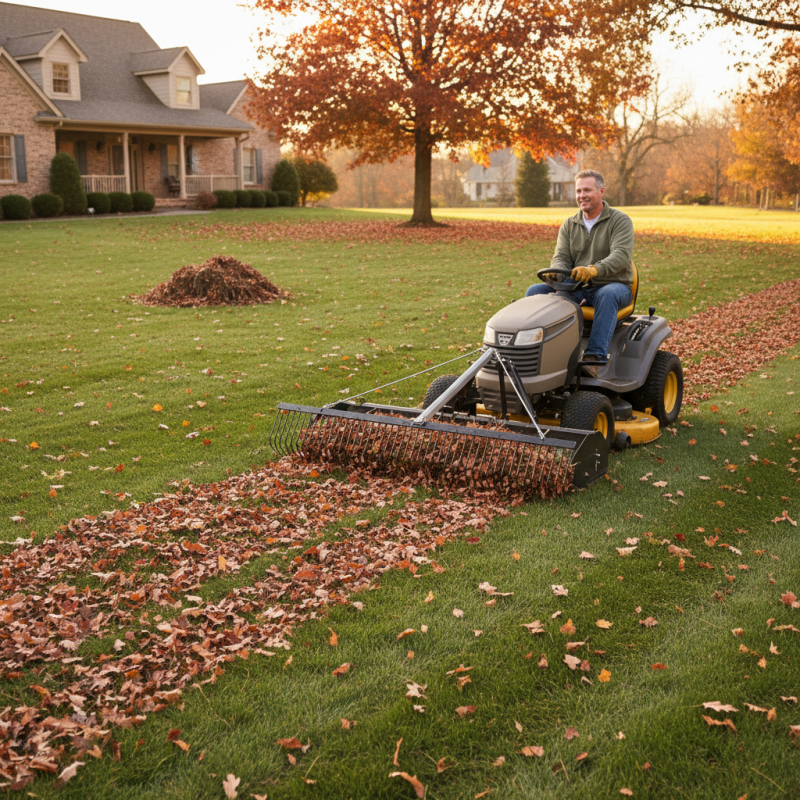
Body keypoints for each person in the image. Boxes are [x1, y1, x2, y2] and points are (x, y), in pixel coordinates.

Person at [526, 169, 634, 378]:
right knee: (535, 291)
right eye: (578, 191)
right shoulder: (569, 224)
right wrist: (557, 278)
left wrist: (593, 269)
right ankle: (535, 353)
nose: (581, 195)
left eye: (587, 190)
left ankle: (593, 358)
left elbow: (621, 256)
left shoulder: (619, 221)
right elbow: (561, 258)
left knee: (607, 295)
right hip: (578, 286)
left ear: (601, 191)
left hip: (614, 285)